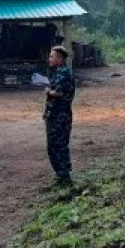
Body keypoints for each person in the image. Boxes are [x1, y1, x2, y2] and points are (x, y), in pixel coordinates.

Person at [44, 46, 76, 183]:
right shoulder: (59, 72)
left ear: (59, 58)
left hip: (60, 115)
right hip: (55, 114)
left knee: (58, 145)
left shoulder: (63, 73)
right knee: (55, 145)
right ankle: (61, 174)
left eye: (52, 56)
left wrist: (49, 92)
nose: (49, 59)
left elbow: (60, 93)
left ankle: (63, 175)